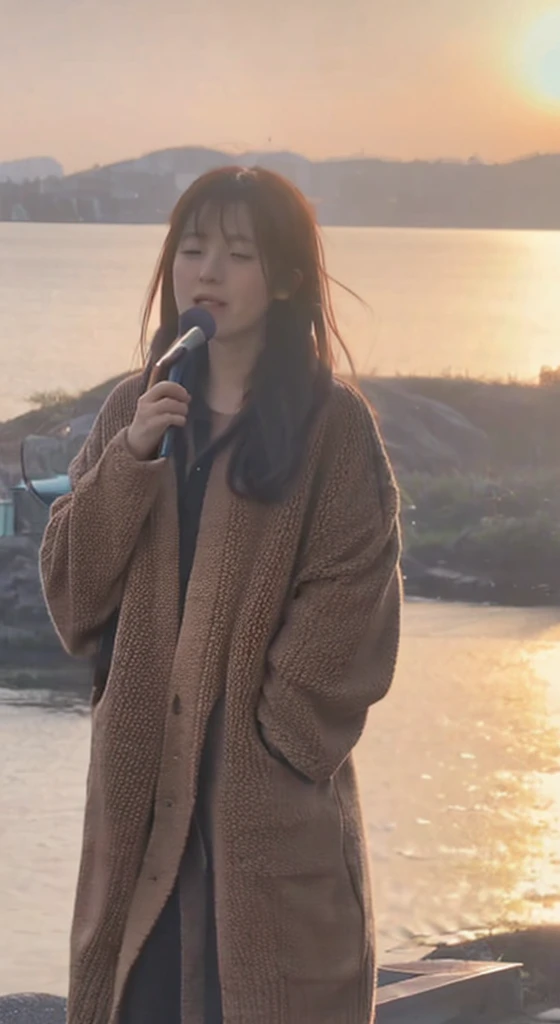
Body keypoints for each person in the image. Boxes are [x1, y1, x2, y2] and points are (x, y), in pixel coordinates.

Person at [39, 165, 402, 1024]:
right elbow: (70, 594)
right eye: (191, 250)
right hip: (139, 815)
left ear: (282, 280)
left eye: (237, 254)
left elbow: (352, 608)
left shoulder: (332, 426)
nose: (206, 273)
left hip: (261, 826)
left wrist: (271, 743)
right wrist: (127, 460)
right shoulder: (137, 406)